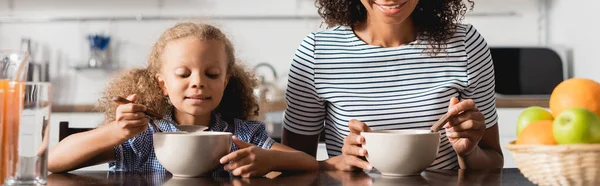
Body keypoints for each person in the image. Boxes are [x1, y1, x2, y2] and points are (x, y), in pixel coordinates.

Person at [49, 22, 318, 177]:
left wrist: (269, 160)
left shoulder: (241, 135)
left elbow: (307, 162)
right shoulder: (143, 136)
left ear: (225, 82)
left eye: (212, 74)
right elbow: (52, 161)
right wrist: (115, 132)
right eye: (183, 74)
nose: (198, 81)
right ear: (162, 84)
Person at [282, 0, 503, 170]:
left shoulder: (466, 45)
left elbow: (493, 162)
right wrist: (340, 163)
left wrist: (468, 154)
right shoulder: (317, 52)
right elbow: (288, 168)